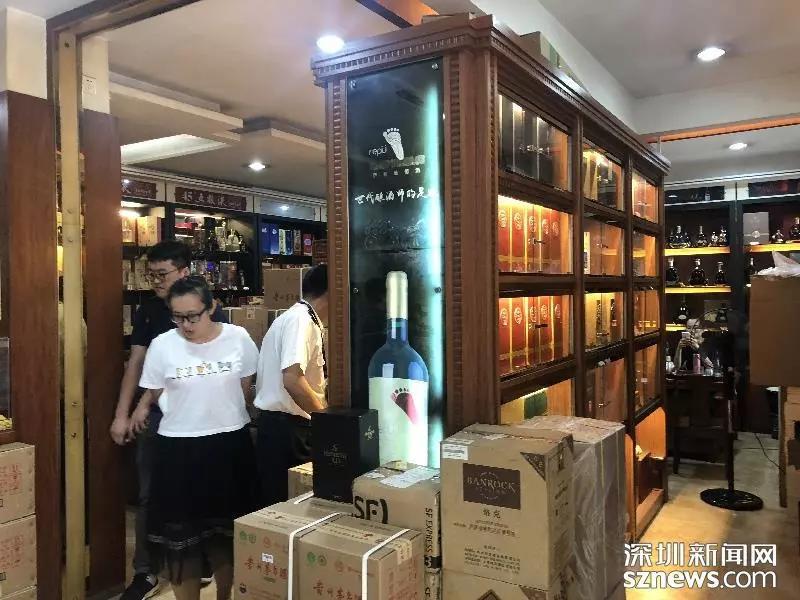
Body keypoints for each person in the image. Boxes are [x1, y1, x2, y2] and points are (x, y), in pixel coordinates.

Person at [111, 241, 226, 600]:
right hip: (159, 418)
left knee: (198, 489)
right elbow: (136, 363)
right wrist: (122, 414)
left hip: (199, 417)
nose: (156, 281)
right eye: (152, 275)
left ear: (184, 271)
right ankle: (144, 572)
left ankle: (198, 561)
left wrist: (144, 403)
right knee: (149, 494)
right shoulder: (148, 311)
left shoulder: (208, 308)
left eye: (162, 274)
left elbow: (204, 367)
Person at [132, 276, 259, 600]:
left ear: (211, 307)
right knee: (182, 542)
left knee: (225, 537)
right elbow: (155, 391)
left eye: (193, 316)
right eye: (178, 317)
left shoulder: (238, 338)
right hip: (178, 449)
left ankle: (225, 595)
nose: (186, 325)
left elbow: (244, 389)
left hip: (229, 445)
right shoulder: (163, 345)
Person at [254, 264, 328, 506]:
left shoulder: (296, 317)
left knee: (280, 502)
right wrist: (327, 420)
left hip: (281, 427)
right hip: (288, 431)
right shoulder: (301, 321)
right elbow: (293, 379)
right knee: (291, 506)